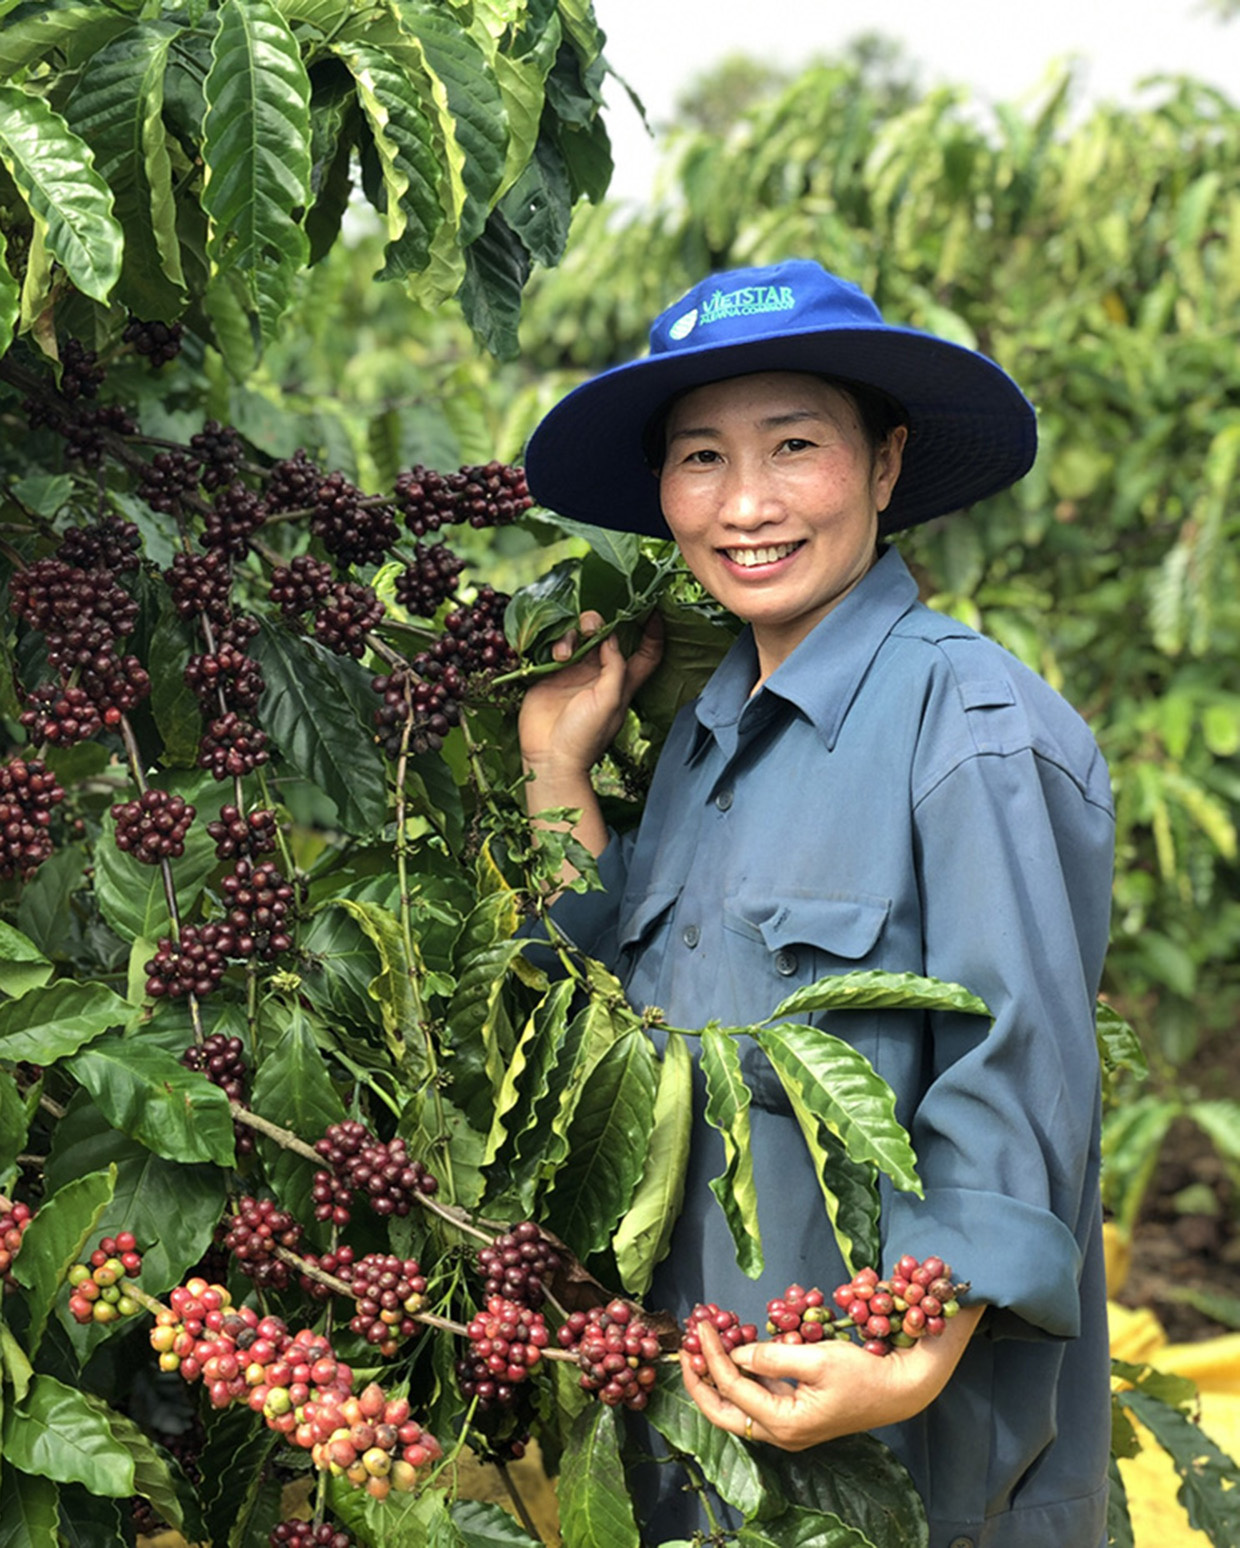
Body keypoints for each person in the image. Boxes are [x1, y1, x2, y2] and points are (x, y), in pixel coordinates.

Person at [517, 259, 1115, 1548]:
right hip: (703, 1424)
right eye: (699, 459)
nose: (745, 504)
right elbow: (608, 1001)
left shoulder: (972, 722)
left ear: (887, 466)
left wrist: (919, 1341)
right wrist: (557, 771)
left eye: (795, 447)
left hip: (907, 1447)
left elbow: (1020, 1064)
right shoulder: (699, 732)